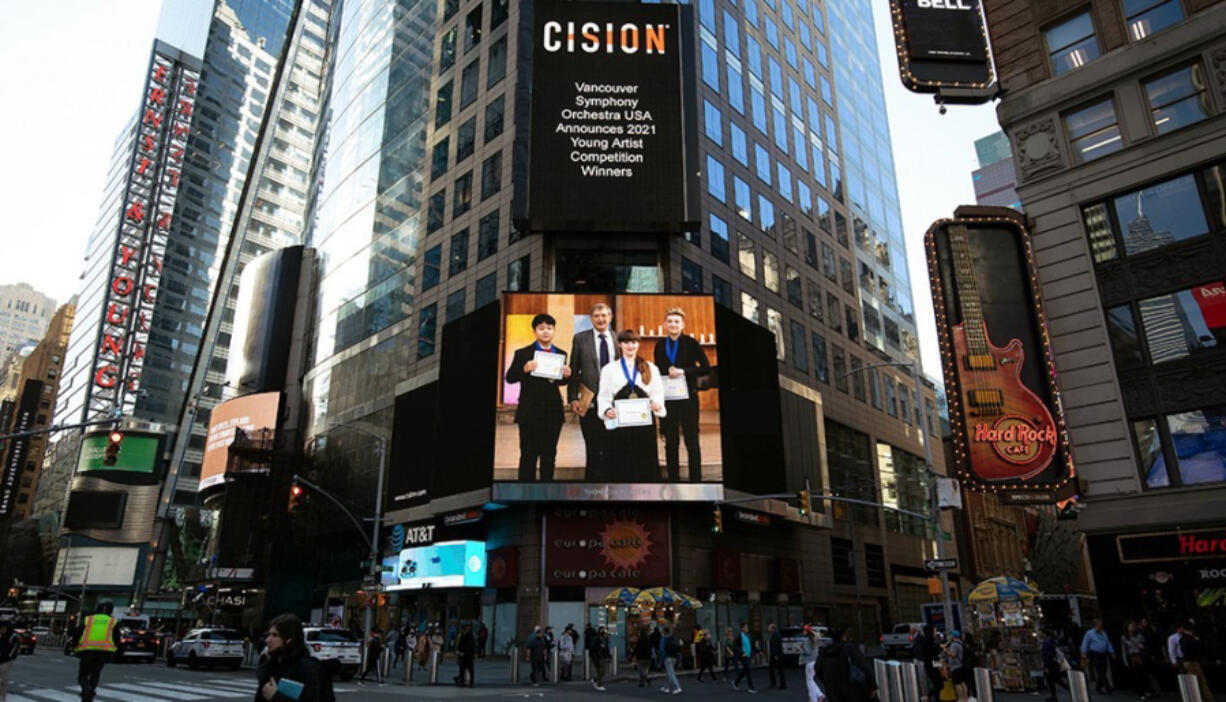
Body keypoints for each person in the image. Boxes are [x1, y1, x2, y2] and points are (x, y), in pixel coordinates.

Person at [504, 313, 572, 481]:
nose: (545, 332)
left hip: (553, 411)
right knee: (528, 454)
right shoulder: (523, 353)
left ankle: (546, 493)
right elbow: (510, 377)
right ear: (534, 331)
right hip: (529, 411)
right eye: (541, 328)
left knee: (549, 455)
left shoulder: (561, 353)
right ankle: (525, 492)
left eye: (549, 328)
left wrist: (567, 376)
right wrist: (524, 369)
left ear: (554, 331)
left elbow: (560, 383)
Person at [597, 329, 666, 481]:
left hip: (644, 422)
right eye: (626, 342)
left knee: (645, 460)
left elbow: (658, 392)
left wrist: (656, 404)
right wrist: (607, 410)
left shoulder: (650, 367)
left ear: (638, 344)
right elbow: (603, 396)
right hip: (620, 423)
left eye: (634, 342)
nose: (630, 346)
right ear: (620, 345)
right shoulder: (609, 369)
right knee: (619, 461)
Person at [653, 307, 712, 482]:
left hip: (688, 399)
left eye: (676, 321)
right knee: (671, 442)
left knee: (691, 441)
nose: (673, 324)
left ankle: (696, 480)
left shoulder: (691, 343)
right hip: (668, 400)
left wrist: (683, 371)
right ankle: (673, 480)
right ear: (664, 324)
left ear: (683, 324)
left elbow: (706, 368)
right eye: (670, 321)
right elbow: (658, 371)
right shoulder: (659, 345)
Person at [568, 302, 616, 481]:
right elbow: (574, 369)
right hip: (589, 402)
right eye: (597, 316)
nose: (601, 319)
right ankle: (591, 487)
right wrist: (573, 397)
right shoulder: (580, 338)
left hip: (613, 403)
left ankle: (612, 485)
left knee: (612, 446)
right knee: (592, 446)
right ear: (591, 319)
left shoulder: (618, 339)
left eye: (604, 315)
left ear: (610, 317)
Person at [256, 613, 335, 702]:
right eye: (268, 634)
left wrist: (276, 697)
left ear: (289, 639)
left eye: (275, 635)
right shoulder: (270, 665)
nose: (268, 640)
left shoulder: (307, 668)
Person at [72, 599, 122, 702]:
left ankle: (86, 689)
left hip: (86, 651)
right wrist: (114, 650)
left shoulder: (88, 619)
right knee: (95, 673)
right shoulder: (113, 622)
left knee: (83, 674)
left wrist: (75, 646)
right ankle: (90, 691)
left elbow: (77, 634)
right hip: (103, 652)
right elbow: (117, 639)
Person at [817, 627, 876, 702]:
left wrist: (828, 683)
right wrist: (872, 685)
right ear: (843, 637)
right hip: (852, 691)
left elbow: (818, 669)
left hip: (833, 692)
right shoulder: (849, 648)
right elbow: (863, 666)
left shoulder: (825, 651)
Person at [1180, 622, 1214, 702]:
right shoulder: (1190, 639)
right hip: (1192, 662)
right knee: (1200, 681)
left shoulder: (1183, 639)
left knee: (1195, 681)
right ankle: (1206, 698)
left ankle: (1200, 698)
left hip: (1188, 662)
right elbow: (1196, 649)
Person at [1080, 619, 1114, 694]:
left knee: (1104, 670)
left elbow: (1108, 643)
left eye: (1101, 625)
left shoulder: (1103, 633)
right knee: (1100, 670)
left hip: (1104, 654)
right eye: (1099, 625)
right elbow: (1085, 643)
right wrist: (1083, 653)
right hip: (1095, 654)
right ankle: (1108, 687)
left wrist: (1112, 652)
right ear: (1095, 626)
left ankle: (1098, 687)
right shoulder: (1089, 633)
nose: (1101, 627)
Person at [1121, 620, 1148, 699]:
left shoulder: (1138, 635)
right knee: (1136, 675)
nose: (1131, 628)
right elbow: (1123, 650)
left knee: (1143, 674)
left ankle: (1145, 690)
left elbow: (1143, 643)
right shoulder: (1124, 638)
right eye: (1130, 626)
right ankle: (1140, 692)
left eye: (1132, 626)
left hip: (1139, 656)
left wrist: (1142, 646)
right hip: (1131, 657)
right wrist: (1125, 661)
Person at [1042, 629, 1071, 701]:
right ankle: (1068, 688)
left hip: (1051, 664)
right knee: (1055, 679)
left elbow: (1048, 655)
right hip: (1055, 663)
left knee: (1052, 679)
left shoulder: (1047, 642)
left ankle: (1055, 695)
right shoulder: (1052, 641)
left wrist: (1046, 666)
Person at [799, 625, 825, 702]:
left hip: (809, 662)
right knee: (811, 680)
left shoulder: (807, 640)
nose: (803, 631)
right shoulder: (815, 639)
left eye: (804, 630)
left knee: (809, 681)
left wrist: (801, 647)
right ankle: (816, 697)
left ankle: (817, 697)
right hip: (816, 661)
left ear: (807, 632)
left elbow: (807, 651)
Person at [945, 630, 971, 702]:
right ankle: (965, 698)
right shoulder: (961, 643)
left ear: (953, 636)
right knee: (962, 682)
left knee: (957, 683)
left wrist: (947, 651)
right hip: (961, 665)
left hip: (956, 666)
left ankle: (961, 698)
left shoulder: (954, 645)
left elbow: (953, 655)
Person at [732, 622, 758, 693]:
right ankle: (751, 688)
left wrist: (759, 651)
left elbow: (752, 645)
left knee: (745, 671)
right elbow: (735, 645)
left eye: (747, 627)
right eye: (746, 627)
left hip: (749, 656)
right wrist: (741, 652)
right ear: (742, 628)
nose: (747, 628)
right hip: (743, 656)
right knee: (748, 670)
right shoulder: (739, 635)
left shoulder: (748, 635)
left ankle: (736, 682)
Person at [0, 620, 20, 700]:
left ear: (6, 628)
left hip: (7, 660)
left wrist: (8, 656)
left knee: (3, 678)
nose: (1, 630)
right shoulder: (2, 635)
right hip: (1, 658)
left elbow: (14, 648)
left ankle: (2, 696)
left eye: (2, 629)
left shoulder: (13, 636)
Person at [660, 625, 683, 694]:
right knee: (669, 672)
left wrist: (661, 659)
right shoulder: (674, 638)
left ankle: (677, 687)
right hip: (675, 657)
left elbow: (662, 650)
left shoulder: (664, 639)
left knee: (671, 673)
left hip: (668, 657)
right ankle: (666, 687)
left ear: (664, 632)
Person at [591, 626, 612, 691]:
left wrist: (609, 655)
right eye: (605, 633)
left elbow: (606, 648)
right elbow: (593, 648)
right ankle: (596, 680)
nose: (606, 634)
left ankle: (599, 684)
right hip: (598, 657)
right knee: (602, 671)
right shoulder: (597, 639)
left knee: (600, 671)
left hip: (601, 657)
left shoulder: (604, 639)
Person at [455, 623, 475, 687]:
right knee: (466, 669)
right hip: (466, 655)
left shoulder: (467, 636)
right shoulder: (466, 635)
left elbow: (466, 646)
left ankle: (465, 682)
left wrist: (460, 652)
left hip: (466, 655)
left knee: (465, 669)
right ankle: (465, 682)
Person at [768, 621, 787, 689]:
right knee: (775, 669)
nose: (768, 629)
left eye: (769, 627)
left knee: (779, 670)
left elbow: (775, 645)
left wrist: (775, 655)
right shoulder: (774, 634)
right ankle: (775, 683)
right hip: (775, 654)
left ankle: (781, 684)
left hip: (776, 654)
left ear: (772, 628)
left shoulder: (775, 635)